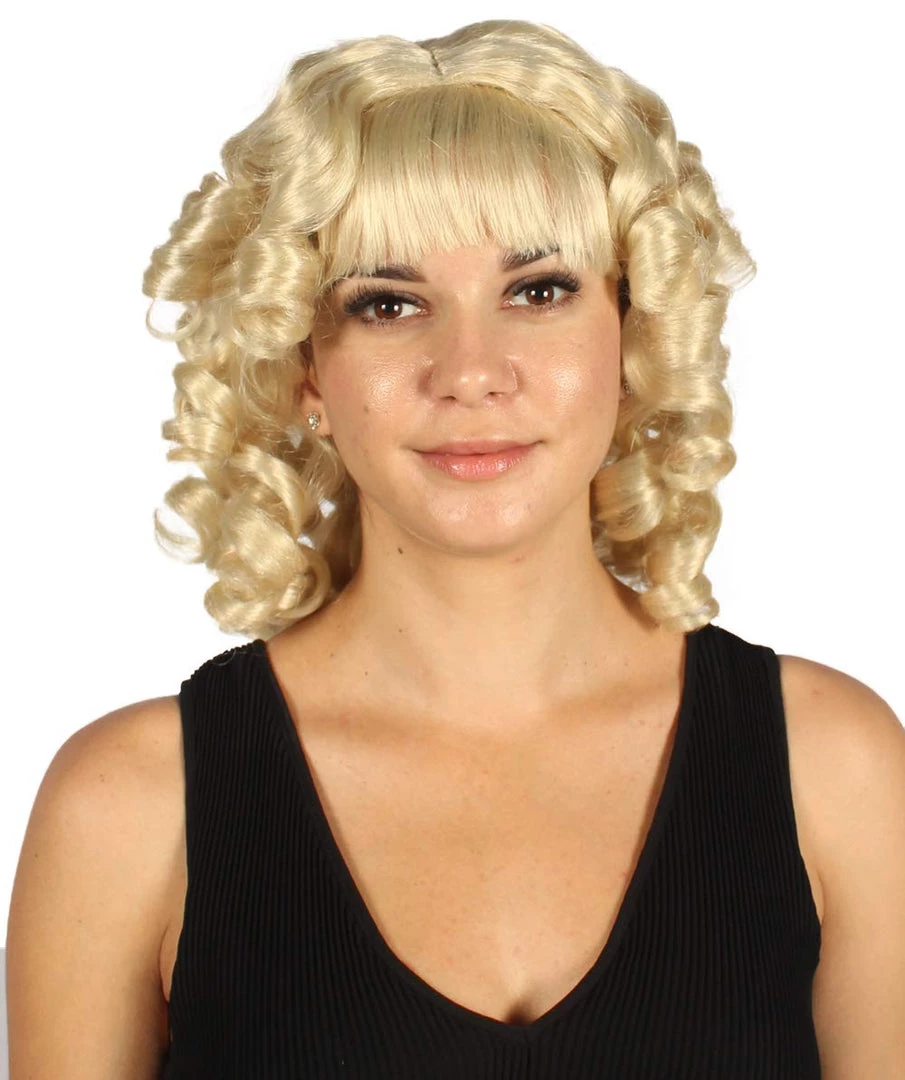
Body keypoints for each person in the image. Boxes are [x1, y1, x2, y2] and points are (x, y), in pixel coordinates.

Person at [6, 18, 904, 1079]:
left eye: (538, 291)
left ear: (632, 333)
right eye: (388, 304)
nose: (470, 371)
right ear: (304, 368)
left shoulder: (833, 771)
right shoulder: (131, 808)